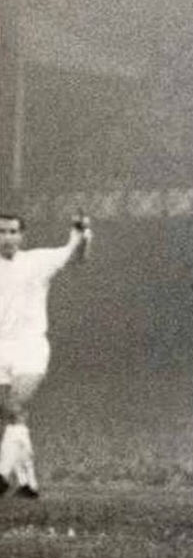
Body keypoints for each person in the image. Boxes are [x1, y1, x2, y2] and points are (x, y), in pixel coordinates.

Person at [0, 212, 91, 499]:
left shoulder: (36, 261)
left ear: (21, 235)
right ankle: (28, 482)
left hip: (30, 346)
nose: (7, 237)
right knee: (12, 414)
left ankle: (2, 473)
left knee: (15, 405)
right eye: (1, 232)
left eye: (13, 231)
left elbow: (74, 255)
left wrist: (81, 233)